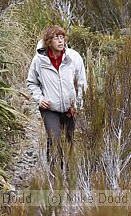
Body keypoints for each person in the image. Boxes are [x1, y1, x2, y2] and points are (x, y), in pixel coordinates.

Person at [26, 25, 87, 177]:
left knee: (69, 141)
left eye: (62, 37)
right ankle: (54, 176)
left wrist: (77, 105)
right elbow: (32, 82)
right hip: (49, 108)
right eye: (55, 38)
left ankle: (68, 174)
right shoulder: (39, 60)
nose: (60, 41)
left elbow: (82, 84)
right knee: (54, 139)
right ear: (48, 42)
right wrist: (40, 99)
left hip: (69, 109)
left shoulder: (73, 58)